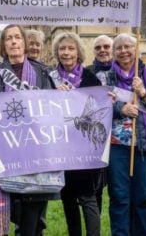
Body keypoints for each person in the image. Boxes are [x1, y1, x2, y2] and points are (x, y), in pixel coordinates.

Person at [0, 24, 57, 236]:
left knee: (31, 220)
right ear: (3, 45)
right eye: (8, 38)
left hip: (35, 153)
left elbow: (54, 111)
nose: (13, 41)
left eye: (17, 37)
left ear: (24, 43)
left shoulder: (42, 73)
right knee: (8, 210)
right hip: (4, 155)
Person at [105, 33, 146, 236]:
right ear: (114, 52)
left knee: (143, 197)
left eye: (128, 47)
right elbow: (95, 107)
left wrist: (143, 93)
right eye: (119, 48)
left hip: (145, 146)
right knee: (119, 197)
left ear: (136, 49)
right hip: (116, 147)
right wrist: (120, 109)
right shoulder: (106, 77)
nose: (124, 51)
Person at [51, 32, 102, 236]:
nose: (66, 52)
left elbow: (98, 110)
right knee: (68, 198)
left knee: (88, 197)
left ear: (78, 52)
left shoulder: (91, 79)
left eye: (71, 48)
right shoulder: (51, 79)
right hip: (60, 147)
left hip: (84, 147)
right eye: (62, 48)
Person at [86, 34, 113, 213]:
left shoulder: (121, 72)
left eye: (106, 46)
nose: (102, 50)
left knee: (118, 188)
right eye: (98, 47)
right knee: (96, 186)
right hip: (95, 137)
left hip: (118, 137)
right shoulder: (87, 73)